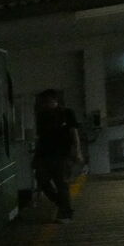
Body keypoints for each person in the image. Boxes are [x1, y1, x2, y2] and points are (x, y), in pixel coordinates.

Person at [33, 89, 82, 223]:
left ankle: (65, 213)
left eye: (46, 101)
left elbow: (74, 133)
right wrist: (36, 156)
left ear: (54, 100)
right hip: (45, 153)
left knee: (61, 183)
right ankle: (61, 203)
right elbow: (41, 137)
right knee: (41, 179)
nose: (44, 104)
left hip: (63, 153)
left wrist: (77, 151)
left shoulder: (67, 113)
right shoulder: (41, 115)